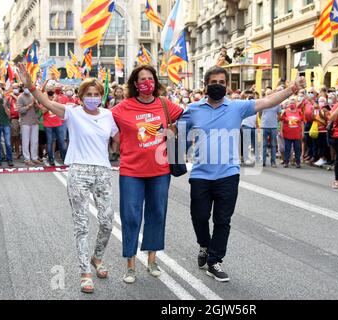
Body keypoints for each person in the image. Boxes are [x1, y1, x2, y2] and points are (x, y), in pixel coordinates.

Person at [179, 65, 306, 282]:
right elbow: (178, 131)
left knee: (223, 220)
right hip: (200, 174)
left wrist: (291, 89)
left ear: (227, 86)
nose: (217, 86)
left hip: (228, 174)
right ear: (206, 85)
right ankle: (204, 245)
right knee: (199, 216)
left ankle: (214, 261)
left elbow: (267, 102)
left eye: (221, 83)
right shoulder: (193, 109)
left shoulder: (237, 107)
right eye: (214, 82)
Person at [18, 63, 119, 294]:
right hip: (79, 172)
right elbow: (47, 103)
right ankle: (85, 273)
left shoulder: (108, 115)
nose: (93, 98)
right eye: (88, 95)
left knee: (106, 220)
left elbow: (119, 138)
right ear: (81, 97)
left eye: (96, 95)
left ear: (100, 97)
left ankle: (97, 257)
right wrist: (31, 86)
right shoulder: (72, 112)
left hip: (102, 171)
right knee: (82, 225)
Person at [111, 65, 184, 284]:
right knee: (131, 216)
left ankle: (152, 260)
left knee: (157, 213)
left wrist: (173, 133)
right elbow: (99, 124)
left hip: (160, 171)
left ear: (155, 81)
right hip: (131, 172)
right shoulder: (121, 108)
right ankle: (130, 265)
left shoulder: (165, 104)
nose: (146, 82)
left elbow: (189, 119)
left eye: (150, 78)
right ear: (135, 83)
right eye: (142, 79)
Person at [40, 85, 67, 166]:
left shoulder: (58, 98)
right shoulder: (44, 100)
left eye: (52, 90)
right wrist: (50, 103)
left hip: (58, 123)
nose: (51, 92)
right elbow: (43, 111)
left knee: (62, 142)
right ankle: (51, 158)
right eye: (49, 91)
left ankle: (64, 158)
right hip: (48, 125)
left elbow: (63, 109)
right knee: (49, 142)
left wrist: (55, 101)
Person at [17, 86, 41, 166]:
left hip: (34, 121)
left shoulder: (33, 95)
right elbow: (20, 110)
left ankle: (34, 158)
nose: (27, 88)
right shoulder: (20, 97)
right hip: (25, 122)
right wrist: (29, 106)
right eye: (25, 87)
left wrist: (36, 105)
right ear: (23, 88)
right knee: (26, 141)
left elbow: (37, 110)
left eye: (28, 87)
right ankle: (27, 159)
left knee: (35, 141)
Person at [261, 87, 281, 167]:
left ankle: (273, 162)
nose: (269, 95)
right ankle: (263, 161)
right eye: (267, 94)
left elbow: (279, 115)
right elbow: (259, 113)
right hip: (264, 126)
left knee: (273, 144)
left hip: (273, 126)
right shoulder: (262, 102)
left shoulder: (276, 103)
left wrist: (275, 121)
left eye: (270, 94)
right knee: (264, 144)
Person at [281, 97, 304, 168]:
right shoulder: (285, 112)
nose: (292, 104)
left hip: (297, 134)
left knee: (297, 148)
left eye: (293, 103)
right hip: (287, 133)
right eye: (290, 103)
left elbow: (302, 122)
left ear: (296, 104)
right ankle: (286, 162)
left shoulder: (299, 111)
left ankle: (298, 162)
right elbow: (282, 121)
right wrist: (281, 131)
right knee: (287, 148)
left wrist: (302, 132)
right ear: (288, 104)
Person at [7, 83, 22, 160]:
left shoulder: (21, 95)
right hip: (14, 119)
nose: (15, 89)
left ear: (19, 88)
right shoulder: (9, 98)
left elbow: (20, 101)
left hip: (23, 119)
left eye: (16, 88)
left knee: (21, 137)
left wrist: (14, 96)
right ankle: (16, 153)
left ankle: (20, 152)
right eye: (13, 88)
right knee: (14, 136)